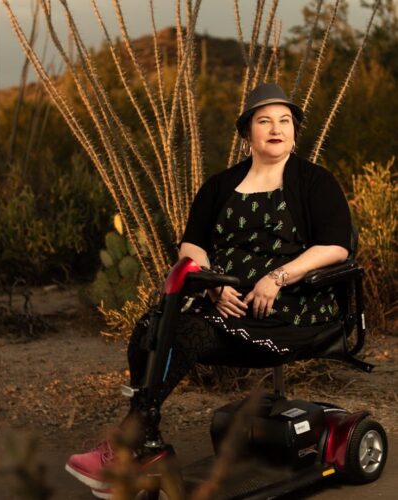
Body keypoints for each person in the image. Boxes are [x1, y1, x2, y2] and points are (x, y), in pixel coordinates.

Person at [65, 83, 352, 498]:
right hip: (225, 302)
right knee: (151, 327)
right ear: (247, 132)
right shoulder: (220, 185)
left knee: (187, 332)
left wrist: (276, 278)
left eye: (285, 121)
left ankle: (126, 447)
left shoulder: (314, 182)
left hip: (294, 306)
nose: (276, 129)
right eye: (265, 121)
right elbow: (191, 245)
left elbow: (335, 246)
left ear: (295, 131)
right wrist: (214, 283)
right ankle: (141, 443)